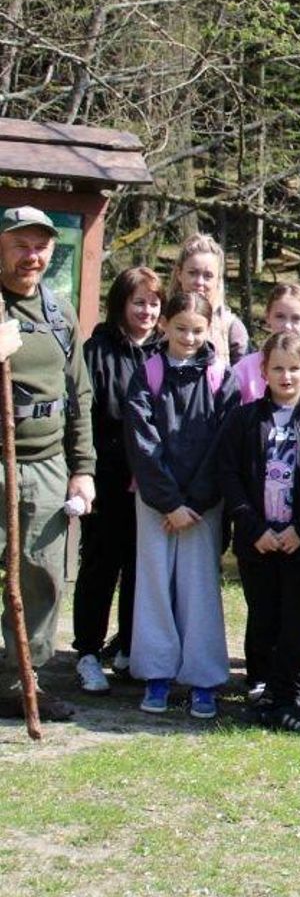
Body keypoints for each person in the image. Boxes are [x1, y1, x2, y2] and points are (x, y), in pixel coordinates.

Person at [123, 291, 241, 718]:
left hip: (202, 505)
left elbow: (223, 443)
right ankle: (156, 675)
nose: (189, 337)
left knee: (200, 590)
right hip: (155, 501)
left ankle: (203, 679)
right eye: (180, 329)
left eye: (197, 330)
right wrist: (169, 501)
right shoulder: (147, 373)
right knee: (154, 585)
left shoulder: (220, 376)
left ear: (209, 329)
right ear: (164, 326)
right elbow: (141, 441)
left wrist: (195, 502)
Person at [0, 206, 95, 722]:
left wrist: (84, 468)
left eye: (40, 246)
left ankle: (20, 682)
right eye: (20, 244)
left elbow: (79, 396)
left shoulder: (59, 315)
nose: (30, 255)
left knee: (42, 579)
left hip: (46, 464)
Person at [217, 332, 300, 734]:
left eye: (294, 368)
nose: (286, 376)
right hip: (257, 540)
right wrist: (253, 526)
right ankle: (262, 689)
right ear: (262, 371)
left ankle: (292, 695)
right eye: (277, 368)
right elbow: (228, 475)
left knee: (298, 620)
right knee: (263, 614)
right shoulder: (244, 419)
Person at [74, 266, 162, 695]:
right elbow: (86, 415)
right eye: (138, 302)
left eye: (154, 303)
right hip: (107, 478)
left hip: (151, 483)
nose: (146, 311)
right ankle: (87, 651)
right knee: (100, 564)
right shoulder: (97, 350)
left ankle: (129, 646)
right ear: (121, 304)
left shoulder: (165, 352)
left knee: (139, 566)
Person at [230, 283, 300, 405]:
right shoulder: (245, 369)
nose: (287, 326)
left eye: (296, 318)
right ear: (268, 317)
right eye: (280, 316)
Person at [171, 233, 249, 363]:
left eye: (208, 276)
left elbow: (243, 379)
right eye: (192, 273)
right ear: (180, 274)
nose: (199, 282)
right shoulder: (161, 322)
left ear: (218, 280)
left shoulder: (231, 328)